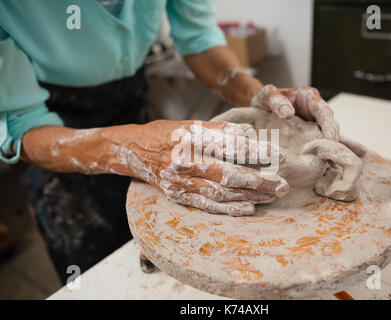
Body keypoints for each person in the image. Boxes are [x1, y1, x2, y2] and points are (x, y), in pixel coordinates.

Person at [0, 0, 359, 282]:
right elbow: (22, 125)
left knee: (158, 253)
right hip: (57, 130)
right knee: (98, 268)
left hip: (131, 106)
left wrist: (257, 94)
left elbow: (200, 42)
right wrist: (131, 148)